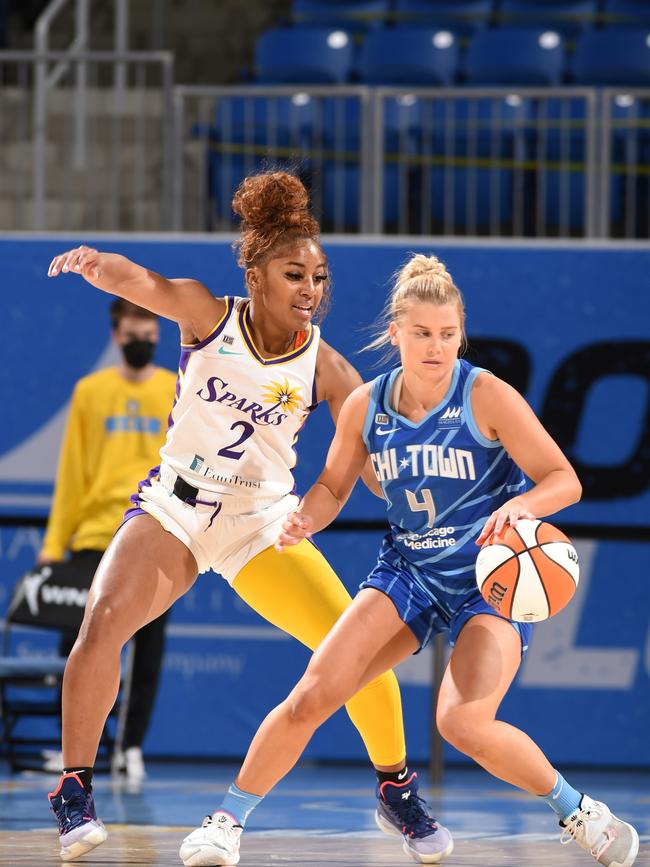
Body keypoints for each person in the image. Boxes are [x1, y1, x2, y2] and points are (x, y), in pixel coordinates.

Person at [187, 253, 640, 867]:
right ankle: (226, 822)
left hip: (487, 579)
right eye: (423, 333)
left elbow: (565, 479)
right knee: (316, 690)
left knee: (462, 723)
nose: (436, 347)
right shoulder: (366, 407)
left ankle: (579, 811)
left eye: (448, 334)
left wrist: (524, 508)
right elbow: (332, 487)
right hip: (408, 573)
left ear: (461, 334)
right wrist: (306, 517)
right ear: (396, 332)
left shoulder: (485, 394)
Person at [45, 172, 444, 866]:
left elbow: (372, 464)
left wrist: (421, 494)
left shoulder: (329, 366)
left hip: (262, 524)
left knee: (355, 652)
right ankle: (75, 786)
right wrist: (93, 262)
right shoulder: (208, 314)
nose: (311, 290)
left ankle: (394, 786)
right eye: (296, 274)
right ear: (256, 274)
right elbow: (140, 280)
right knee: (102, 623)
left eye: (320, 277)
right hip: (176, 506)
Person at [37, 299, 176, 784]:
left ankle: (131, 745)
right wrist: (55, 542)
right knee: (82, 640)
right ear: (118, 334)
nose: (144, 336)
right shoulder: (90, 392)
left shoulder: (175, 388)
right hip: (96, 535)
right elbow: (72, 471)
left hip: (155, 527)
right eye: (135, 327)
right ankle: (72, 747)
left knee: (148, 644)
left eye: (151, 327)